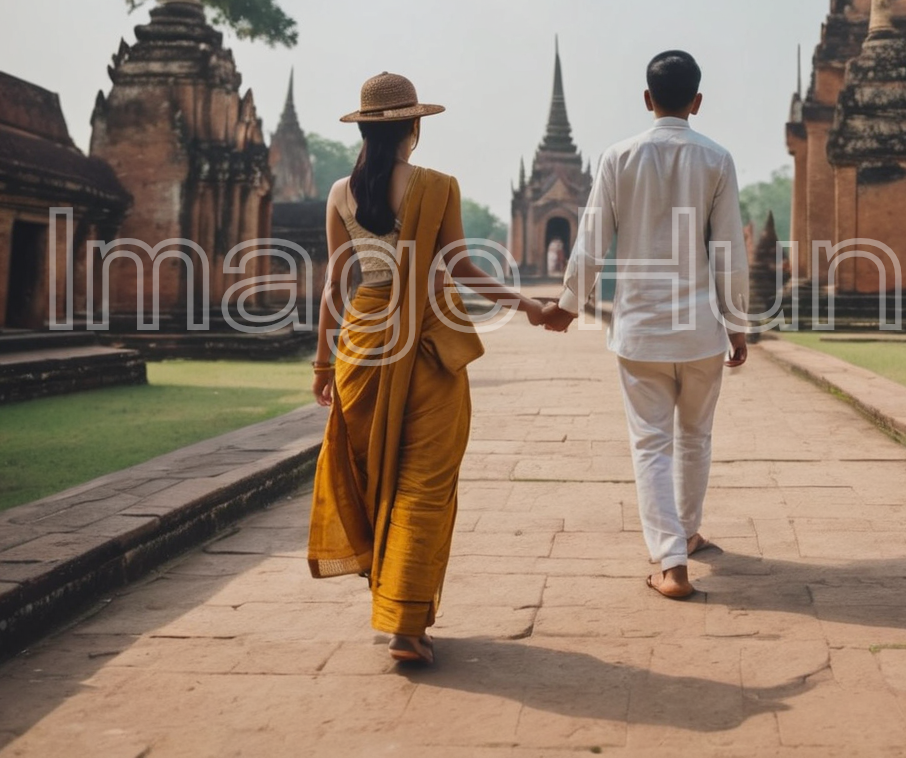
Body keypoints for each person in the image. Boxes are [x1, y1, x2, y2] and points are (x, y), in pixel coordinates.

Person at [306, 71, 546, 664]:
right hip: (427, 344)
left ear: (364, 128)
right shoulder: (437, 185)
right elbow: (462, 267)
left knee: (374, 477)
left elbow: (336, 282)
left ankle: (392, 604)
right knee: (422, 484)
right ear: (414, 127)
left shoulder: (340, 192)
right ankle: (405, 625)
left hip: (362, 346)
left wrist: (321, 362)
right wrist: (531, 305)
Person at [542, 50, 749, 600]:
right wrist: (738, 323)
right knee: (695, 436)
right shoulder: (717, 159)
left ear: (647, 99)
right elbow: (729, 250)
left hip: (640, 330)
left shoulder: (618, 157)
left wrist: (566, 305)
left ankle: (672, 560)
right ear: (697, 102)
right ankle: (686, 534)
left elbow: (590, 243)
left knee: (652, 443)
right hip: (702, 327)